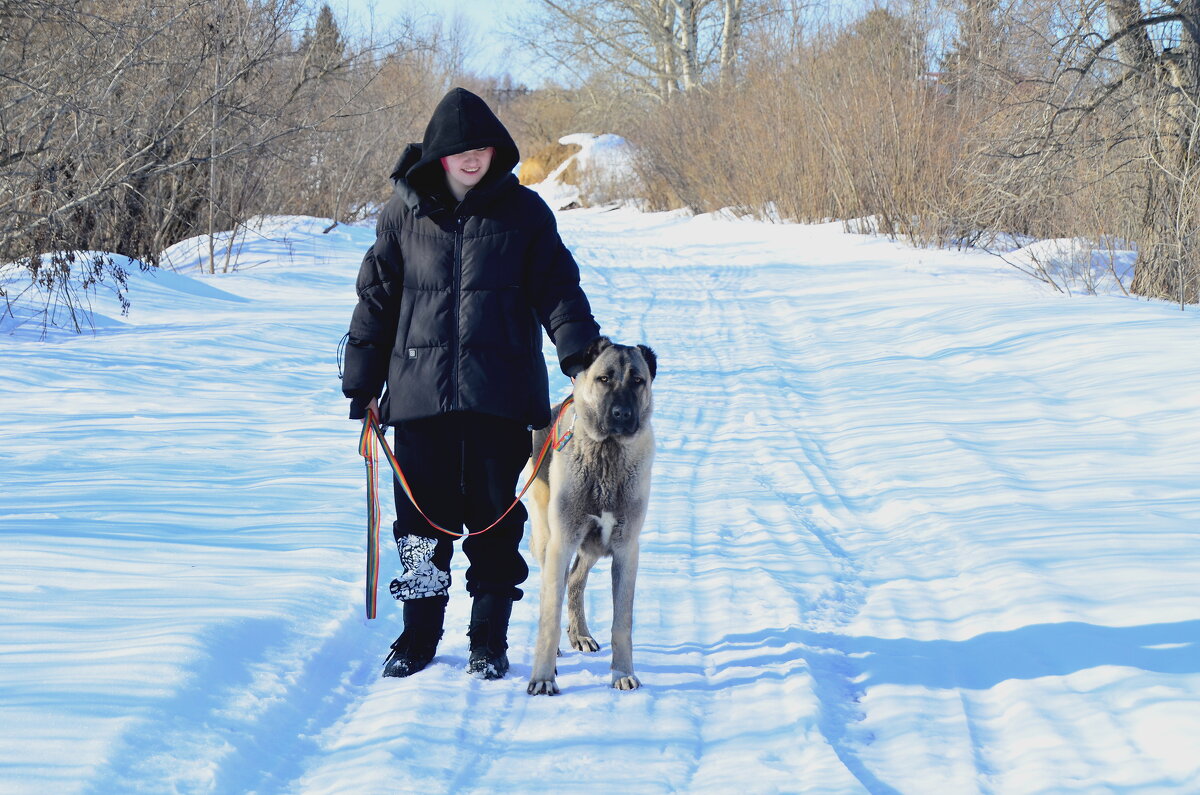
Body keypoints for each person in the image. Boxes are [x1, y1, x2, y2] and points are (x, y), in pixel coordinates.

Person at [341, 87, 601, 680]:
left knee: (495, 522)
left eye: (482, 147)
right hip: (417, 398)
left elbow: (557, 289)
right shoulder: (402, 213)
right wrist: (362, 381)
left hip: (501, 396)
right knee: (419, 525)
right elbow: (377, 299)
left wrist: (580, 350)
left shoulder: (525, 213)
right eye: (460, 149)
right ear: (438, 153)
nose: (473, 158)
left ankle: (488, 637)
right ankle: (418, 635)